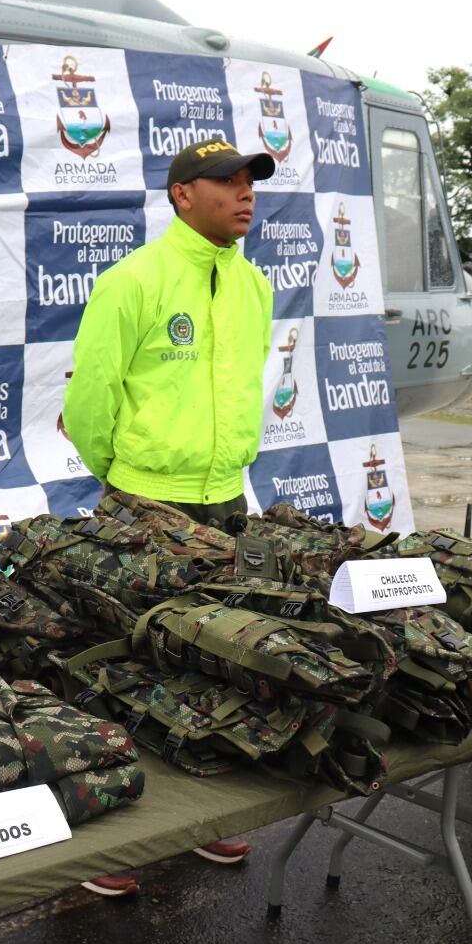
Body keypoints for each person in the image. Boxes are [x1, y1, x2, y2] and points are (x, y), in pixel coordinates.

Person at [62, 136, 274, 894]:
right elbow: (90, 396)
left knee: (213, 662)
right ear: (183, 194)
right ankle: (116, 841)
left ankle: (203, 819)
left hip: (225, 498)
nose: (245, 192)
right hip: (145, 500)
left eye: (251, 181)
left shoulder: (253, 285)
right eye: (227, 180)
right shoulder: (135, 280)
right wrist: (123, 476)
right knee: (130, 665)